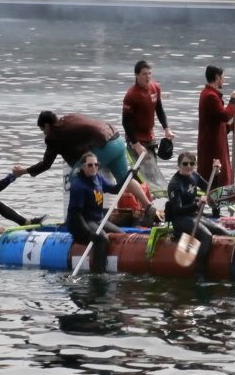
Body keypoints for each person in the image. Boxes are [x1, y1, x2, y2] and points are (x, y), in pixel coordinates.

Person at [24, 110, 153, 214]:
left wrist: (24, 171)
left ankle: (85, 215)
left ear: (46, 125)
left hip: (105, 146)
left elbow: (46, 164)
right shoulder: (69, 118)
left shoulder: (53, 135)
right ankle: (149, 207)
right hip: (117, 140)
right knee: (126, 180)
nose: (44, 134)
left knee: (75, 175)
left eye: (43, 130)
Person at [166, 153, 229, 276]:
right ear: (178, 165)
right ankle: (199, 271)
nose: (188, 166)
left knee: (223, 231)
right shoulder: (174, 184)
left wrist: (216, 173)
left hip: (194, 215)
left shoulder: (194, 176)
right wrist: (197, 204)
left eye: (192, 163)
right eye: (185, 164)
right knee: (207, 236)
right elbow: (177, 210)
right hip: (180, 219)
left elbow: (211, 190)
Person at [66, 152, 125, 273]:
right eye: (90, 165)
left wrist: (128, 176)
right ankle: (98, 272)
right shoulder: (78, 186)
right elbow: (76, 214)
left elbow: (114, 189)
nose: (94, 167)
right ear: (83, 167)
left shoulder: (98, 178)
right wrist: (88, 233)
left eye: (96, 165)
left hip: (98, 220)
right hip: (81, 222)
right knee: (101, 239)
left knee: (121, 235)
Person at [122, 59, 174, 192]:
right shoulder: (131, 95)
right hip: (136, 139)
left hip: (150, 137)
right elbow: (125, 122)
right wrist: (136, 144)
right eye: (144, 74)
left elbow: (160, 109)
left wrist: (166, 128)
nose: (148, 76)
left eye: (150, 73)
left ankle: (155, 199)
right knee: (141, 174)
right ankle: (142, 202)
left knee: (153, 171)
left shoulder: (155, 88)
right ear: (136, 75)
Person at [196, 64, 235, 189]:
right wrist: (233, 101)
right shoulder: (210, 96)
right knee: (216, 178)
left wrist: (229, 128)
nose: (224, 80)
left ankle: (217, 206)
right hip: (212, 146)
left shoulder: (208, 94)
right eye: (223, 77)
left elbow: (215, 122)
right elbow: (225, 115)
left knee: (217, 178)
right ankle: (215, 206)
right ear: (217, 77)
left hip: (214, 143)